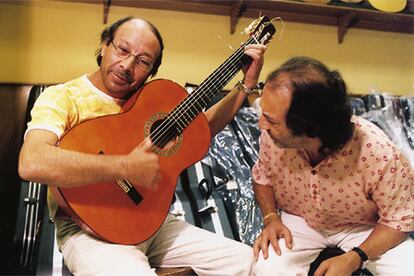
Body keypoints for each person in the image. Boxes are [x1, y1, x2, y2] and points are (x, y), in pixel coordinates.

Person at [18, 16, 267, 275]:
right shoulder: (62, 98)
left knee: (250, 263)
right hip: (89, 231)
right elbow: (32, 162)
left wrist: (246, 86)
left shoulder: (150, 102)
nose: (127, 65)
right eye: (122, 50)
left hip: (152, 222)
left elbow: (202, 129)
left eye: (143, 61)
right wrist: (123, 166)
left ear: (151, 71)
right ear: (104, 45)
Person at [251, 56, 414, 276]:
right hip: (300, 220)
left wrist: (355, 257)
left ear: (309, 127)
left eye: (272, 121)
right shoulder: (272, 138)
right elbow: (262, 177)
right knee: (266, 269)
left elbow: (399, 219)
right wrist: (271, 218)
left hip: (364, 226)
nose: (262, 125)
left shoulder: (378, 152)